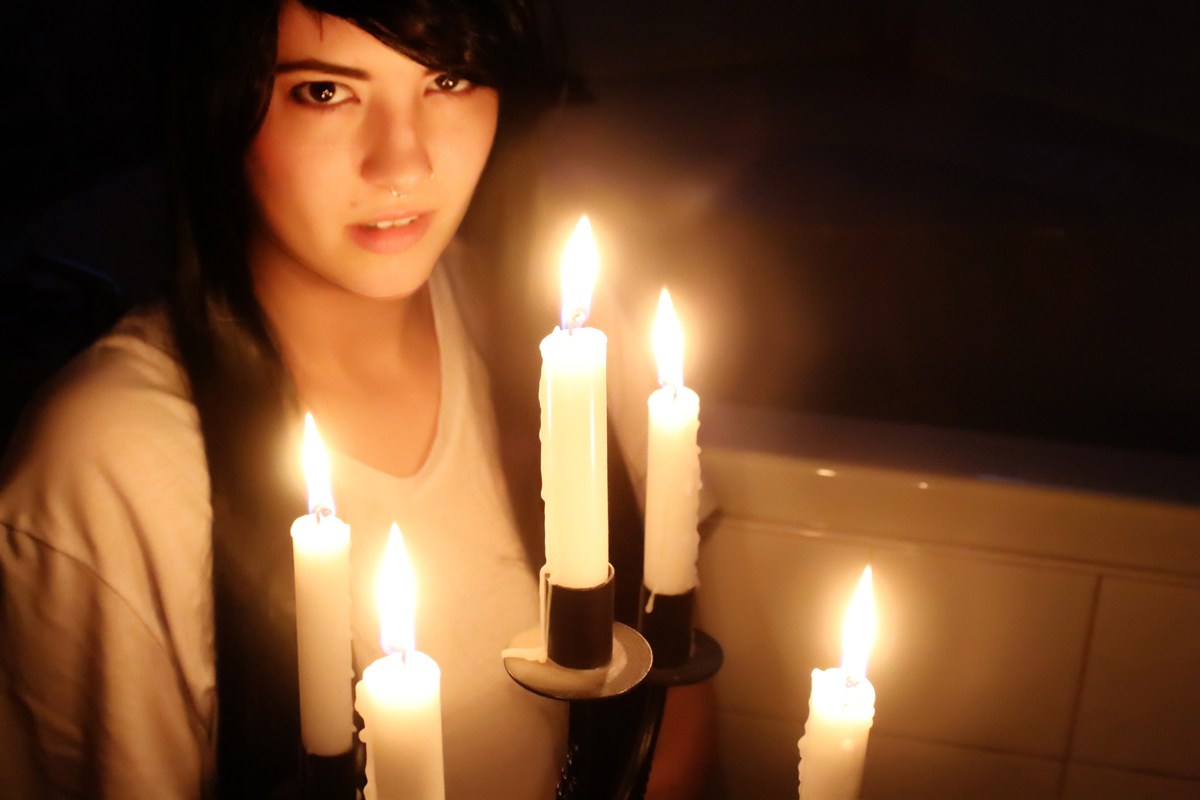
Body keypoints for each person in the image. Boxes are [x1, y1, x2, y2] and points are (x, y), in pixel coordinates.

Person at [0, 1, 716, 798]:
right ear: (220, 102)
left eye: (449, 79)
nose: (402, 163)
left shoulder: (567, 343)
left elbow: (673, 683)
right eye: (325, 92)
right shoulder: (106, 467)